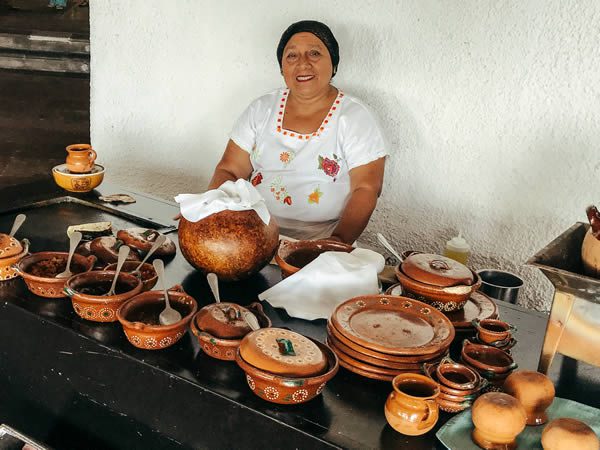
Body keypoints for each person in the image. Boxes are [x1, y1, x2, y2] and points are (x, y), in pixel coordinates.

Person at [208, 20, 387, 244]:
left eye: (314, 53)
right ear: (282, 67)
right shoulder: (262, 109)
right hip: (252, 232)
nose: (303, 64)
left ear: (333, 64)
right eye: (292, 56)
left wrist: (337, 242)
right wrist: (209, 209)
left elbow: (367, 188)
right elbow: (230, 170)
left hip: (322, 239)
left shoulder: (354, 117)